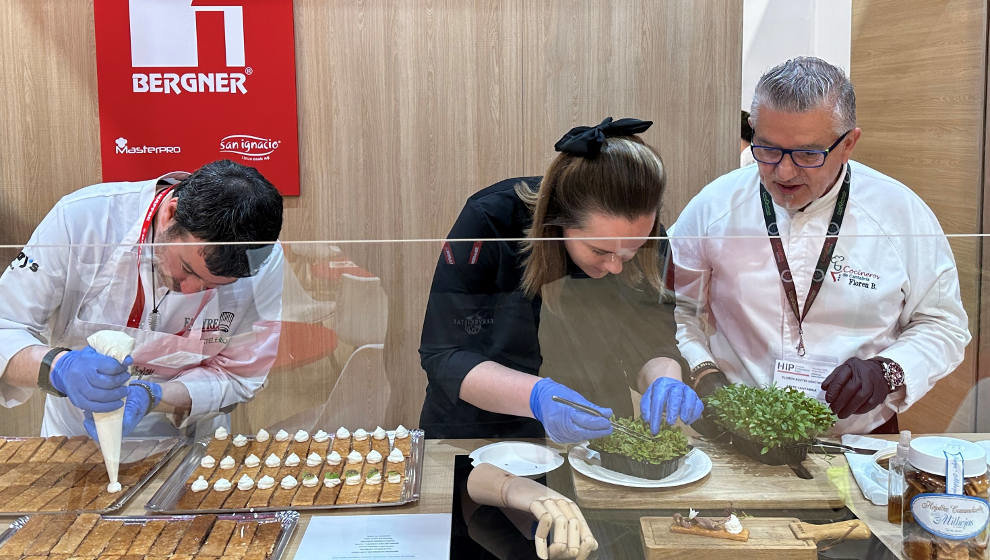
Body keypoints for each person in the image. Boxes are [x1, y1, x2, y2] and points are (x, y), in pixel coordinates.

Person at [671, 57, 970, 434]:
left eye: (808, 154)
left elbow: (943, 324)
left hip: (858, 437)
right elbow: (679, 311)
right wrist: (703, 371)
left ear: (848, 144)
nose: (784, 171)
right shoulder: (713, 207)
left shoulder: (900, 214)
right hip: (736, 428)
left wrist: (888, 370)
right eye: (767, 149)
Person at [419, 117, 702, 441]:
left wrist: (664, 379)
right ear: (560, 219)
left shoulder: (650, 242)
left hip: (593, 434)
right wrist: (537, 397)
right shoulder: (490, 221)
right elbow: (444, 355)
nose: (616, 267)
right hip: (478, 434)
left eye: (630, 252)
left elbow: (652, 340)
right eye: (600, 251)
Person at [0, 159, 285, 438]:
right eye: (187, 269)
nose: (189, 291)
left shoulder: (262, 262)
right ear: (169, 214)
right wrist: (60, 368)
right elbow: (5, 325)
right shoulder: (82, 220)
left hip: (191, 447)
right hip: (76, 439)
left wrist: (153, 396)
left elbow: (240, 375)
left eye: (212, 287)